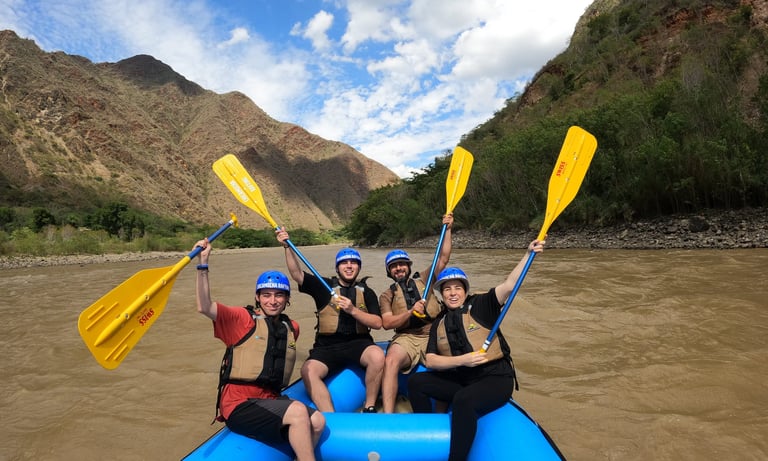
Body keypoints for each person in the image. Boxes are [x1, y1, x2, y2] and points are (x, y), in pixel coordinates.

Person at [407, 239, 546, 461]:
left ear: (464, 291)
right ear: (442, 294)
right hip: (464, 378)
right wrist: (463, 360)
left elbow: (510, 285)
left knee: (463, 400)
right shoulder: (438, 322)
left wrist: (528, 254)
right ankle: (428, 433)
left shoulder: (482, 305)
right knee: (416, 383)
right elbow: (431, 361)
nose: (453, 293)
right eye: (447, 289)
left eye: (457, 288)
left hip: (495, 379)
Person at [193, 238, 325, 461]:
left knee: (319, 421)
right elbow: (204, 306)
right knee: (299, 412)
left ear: (287, 299)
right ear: (257, 297)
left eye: (279, 295)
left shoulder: (292, 327)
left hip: (269, 399)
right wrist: (203, 263)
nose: (272, 301)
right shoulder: (241, 319)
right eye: (266, 295)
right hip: (238, 404)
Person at [276, 229, 385, 413]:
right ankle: (330, 415)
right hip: (327, 347)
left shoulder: (367, 292)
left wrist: (353, 310)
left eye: (353, 263)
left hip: (358, 344)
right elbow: (297, 274)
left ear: (358, 268)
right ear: (337, 268)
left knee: (377, 356)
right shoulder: (323, 286)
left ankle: (370, 405)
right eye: (344, 263)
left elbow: (377, 323)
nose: (349, 266)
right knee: (308, 370)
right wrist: (287, 247)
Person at [379, 213, 454, 413]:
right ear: (389, 272)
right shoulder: (386, 295)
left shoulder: (425, 279)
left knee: (448, 362)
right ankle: (388, 415)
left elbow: (443, 257)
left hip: (435, 332)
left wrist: (448, 229)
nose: (398, 268)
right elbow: (387, 323)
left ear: (408, 266)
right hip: (407, 337)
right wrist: (410, 312)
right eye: (394, 266)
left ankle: (441, 415)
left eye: (402, 264)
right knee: (391, 360)